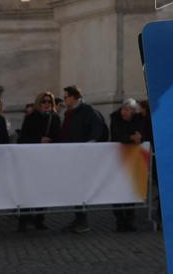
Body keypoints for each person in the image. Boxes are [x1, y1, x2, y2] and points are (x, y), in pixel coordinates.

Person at [59, 85, 105, 233]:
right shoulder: (69, 112)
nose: (64, 99)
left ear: (74, 97)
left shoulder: (88, 110)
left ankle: (83, 221)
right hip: (70, 155)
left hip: (82, 156)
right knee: (74, 189)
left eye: (66, 97)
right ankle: (78, 218)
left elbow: (99, 129)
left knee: (81, 189)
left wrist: (89, 145)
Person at [17, 91, 60, 231]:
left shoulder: (55, 118)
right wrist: (38, 140)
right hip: (31, 159)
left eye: (49, 102)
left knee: (43, 189)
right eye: (44, 101)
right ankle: (23, 219)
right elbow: (22, 138)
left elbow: (59, 136)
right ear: (38, 103)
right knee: (28, 189)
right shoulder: (30, 118)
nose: (47, 104)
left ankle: (40, 219)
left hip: (47, 159)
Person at [110, 98, 145, 232]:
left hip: (133, 160)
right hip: (117, 158)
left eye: (127, 110)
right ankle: (120, 221)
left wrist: (139, 137)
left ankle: (130, 221)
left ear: (133, 112)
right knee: (117, 191)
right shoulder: (115, 119)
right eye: (123, 109)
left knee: (131, 190)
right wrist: (131, 138)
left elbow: (141, 134)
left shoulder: (138, 120)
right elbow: (116, 136)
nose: (124, 112)